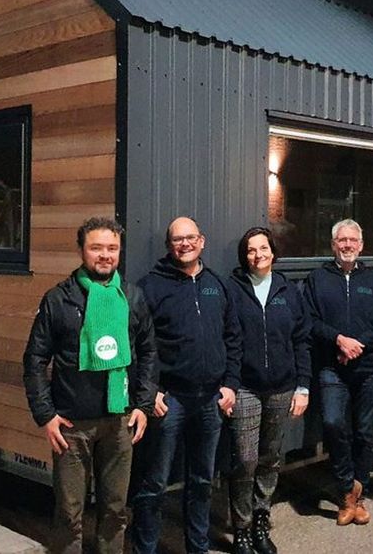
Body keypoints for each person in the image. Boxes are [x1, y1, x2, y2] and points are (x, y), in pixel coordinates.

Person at [22, 217, 158, 554]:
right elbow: (35, 359)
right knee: (69, 514)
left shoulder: (132, 296)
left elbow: (148, 351)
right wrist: (45, 415)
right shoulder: (58, 299)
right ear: (82, 250)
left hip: (119, 421)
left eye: (112, 248)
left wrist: (142, 404)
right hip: (71, 425)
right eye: (96, 247)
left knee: (114, 511)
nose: (105, 255)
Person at [131, 216, 242, 554]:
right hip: (170, 401)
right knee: (154, 484)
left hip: (211, 400)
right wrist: (151, 391)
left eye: (190, 238)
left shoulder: (217, 285)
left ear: (202, 241)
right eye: (178, 239)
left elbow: (233, 338)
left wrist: (231, 385)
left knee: (202, 482)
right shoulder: (149, 287)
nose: (185, 244)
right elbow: (135, 346)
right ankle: (144, 549)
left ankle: (197, 547)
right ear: (169, 245)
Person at [303, 219, 373, 526]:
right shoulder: (318, 279)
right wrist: (339, 341)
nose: (346, 245)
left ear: (361, 245)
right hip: (332, 368)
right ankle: (346, 487)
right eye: (341, 240)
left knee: (365, 431)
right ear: (333, 245)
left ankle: (359, 495)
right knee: (332, 423)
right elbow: (310, 321)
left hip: (368, 368)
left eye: (352, 241)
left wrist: (359, 345)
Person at [226, 227, 311, 554]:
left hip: (282, 388)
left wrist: (302, 386)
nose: (258, 254)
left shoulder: (288, 291)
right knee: (245, 460)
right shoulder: (233, 289)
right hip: (245, 388)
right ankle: (242, 528)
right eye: (251, 250)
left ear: (273, 253)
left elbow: (301, 342)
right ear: (244, 255)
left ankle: (262, 518)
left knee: (270, 458)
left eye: (263, 248)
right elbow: (228, 340)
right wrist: (229, 385)